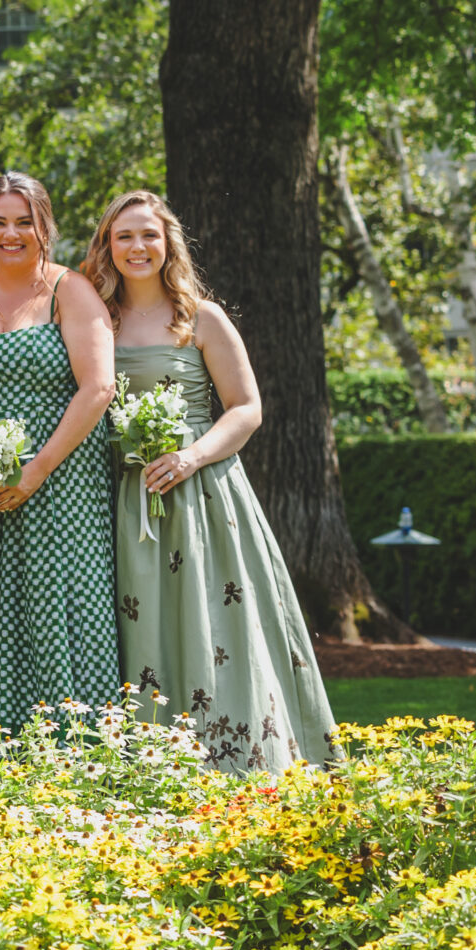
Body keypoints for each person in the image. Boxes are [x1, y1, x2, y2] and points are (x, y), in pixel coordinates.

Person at [84, 190, 338, 771]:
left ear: (168, 242)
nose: (137, 247)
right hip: (122, 495)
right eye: (124, 236)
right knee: (140, 621)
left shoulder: (201, 317)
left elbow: (247, 408)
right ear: (107, 246)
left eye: (149, 234)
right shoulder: (96, 320)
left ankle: (236, 758)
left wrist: (191, 457)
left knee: (212, 620)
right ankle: (152, 763)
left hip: (201, 494)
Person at [0, 172, 120, 749]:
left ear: (45, 226)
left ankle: (81, 756)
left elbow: (98, 388)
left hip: (64, 486)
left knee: (64, 611)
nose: (11, 234)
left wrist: (36, 468)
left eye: (24, 222)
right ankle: (2, 759)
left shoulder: (72, 291)